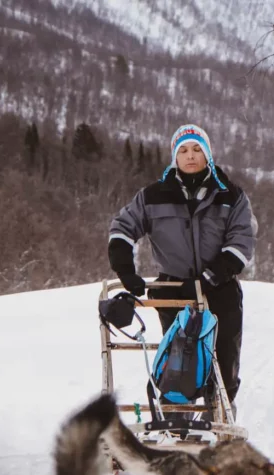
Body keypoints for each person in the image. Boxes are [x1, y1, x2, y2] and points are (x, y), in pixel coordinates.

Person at [107, 123, 257, 416]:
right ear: (175, 157)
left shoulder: (231, 196)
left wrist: (207, 280)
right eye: (184, 150)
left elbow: (240, 244)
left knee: (223, 362)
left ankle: (221, 418)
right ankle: (177, 424)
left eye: (197, 149)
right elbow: (122, 228)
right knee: (178, 362)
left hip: (220, 291)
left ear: (208, 154)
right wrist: (126, 271)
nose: (191, 156)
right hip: (173, 292)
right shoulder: (153, 196)